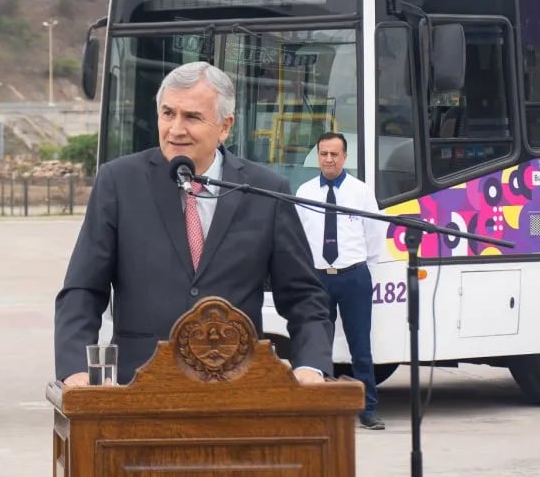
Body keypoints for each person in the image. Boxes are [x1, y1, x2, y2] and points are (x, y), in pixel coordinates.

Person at [54, 61, 333, 387]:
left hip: (238, 389)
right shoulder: (119, 182)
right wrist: (75, 372)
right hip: (139, 389)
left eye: (192, 117)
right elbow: (82, 291)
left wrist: (311, 367)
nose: (175, 129)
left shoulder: (265, 190)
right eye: (168, 113)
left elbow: (304, 298)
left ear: (225, 126)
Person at [295, 132, 389, 429]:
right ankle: (318, 408)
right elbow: (297, 236)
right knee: (317, 345)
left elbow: (374, 233)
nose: (329, 159)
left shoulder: (360, 192)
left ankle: (368, 408)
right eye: (323, 153)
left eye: (335, 154)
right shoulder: (305, 192)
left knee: (360, 345)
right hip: (318, 278)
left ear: (345, 157)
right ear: (317, 156)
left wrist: (366, 268)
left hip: (353, 276)